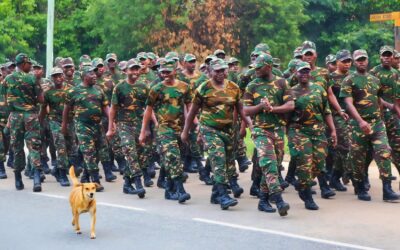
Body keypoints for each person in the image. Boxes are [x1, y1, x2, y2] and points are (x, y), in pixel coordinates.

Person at [181, 58, 250, 210]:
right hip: (210, 129)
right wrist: (186, 132)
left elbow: (241, 111)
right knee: (218, 159)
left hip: (229, 130)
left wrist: (251, 126)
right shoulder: (204, 88)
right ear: (211, 71)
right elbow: (192, 112)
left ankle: (215, 194)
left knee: (228, 163)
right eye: (217, 70)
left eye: (223, 70)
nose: (220, 73)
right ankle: (224, 195)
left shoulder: (234, 88)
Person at [340, 49, 400, 202]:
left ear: (367, 61)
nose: (361, 61)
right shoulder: (349, 80)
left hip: (377, 124)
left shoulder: (375, 79)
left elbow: (378, 100)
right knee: (357, 158)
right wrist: (360, 121)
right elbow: (347, 103)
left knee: (384, 152)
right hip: (357, 124)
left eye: (364, 59)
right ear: (354, 61)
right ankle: (360, 186)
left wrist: (389, 110)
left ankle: (387, 189)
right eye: (358, 59)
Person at [243, 53, 292, 216]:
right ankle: (278, 200)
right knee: (268, 163)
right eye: (255, 67)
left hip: (278, 130)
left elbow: (290, 104)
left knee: (273, 165)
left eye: (259, 67)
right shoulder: (252, 85)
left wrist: (273, 109)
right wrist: (260, 107)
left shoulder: (282, 83)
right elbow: (246, 110)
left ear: (269, 67)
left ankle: (263, 199)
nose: (256, 70)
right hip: (260, 130)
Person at [139, 59, 191, 204]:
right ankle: (180, 190)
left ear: (175, 71)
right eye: (162, 72)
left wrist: (192, 126)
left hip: (180, 129)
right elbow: (148, 110)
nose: (165, 75)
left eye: (168, 72)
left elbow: (189, 108)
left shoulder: (184, 87)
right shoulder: (156, 89)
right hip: (163, 129)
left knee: (175, 159)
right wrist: (143, 131)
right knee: (173, 157)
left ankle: (169, 189)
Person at [288, 61, 337, 210]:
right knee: (305, 163)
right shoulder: (290, 92)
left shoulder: (319, 89)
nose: (304, 74)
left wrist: (333, 130)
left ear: (310, 73)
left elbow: (326, 111)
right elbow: (286, 116)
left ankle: (301, 184)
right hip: (299, 131)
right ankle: (308, 196)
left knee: (319, 164)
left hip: (318, 131)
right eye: (301, 71)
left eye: (307, 71)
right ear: (296, 73)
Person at [62, 66, 112, 191]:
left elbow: (106, 107)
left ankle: (85, 177)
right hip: (82, 125)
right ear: (84, 76)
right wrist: (64, 125)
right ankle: (95, 181)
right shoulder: (73, 91)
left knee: (102, 150)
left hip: (97, 125)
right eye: (91, 73)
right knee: (88, 152)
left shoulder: (98, 90)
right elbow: (66, 109)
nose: (95, 75)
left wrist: (112, 123)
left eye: (95, 73)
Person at [107, 59, 151, 198]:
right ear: (126, 71)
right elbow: (113, 109)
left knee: (139, 155)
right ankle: (138, 182)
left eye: (137, 69)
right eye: (132, 69)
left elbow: (148, 109)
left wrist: (149, 127)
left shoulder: (144, 87)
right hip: (123, 124)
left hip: (139, 125)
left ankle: (127, 183)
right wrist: (110, 128)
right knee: (129, 151)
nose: (135, 72)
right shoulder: (119, 87)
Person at [3, 53, 44, 192]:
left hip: (15, 117)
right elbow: (41, 99)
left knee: (17, 147)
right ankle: (37, 178)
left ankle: (18, 179)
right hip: (30, 116)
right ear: (23, 64)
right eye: (29, 64)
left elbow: (5, 98)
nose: (31, 66)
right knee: (34, 146)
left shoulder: (7, 79)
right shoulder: (32, 78)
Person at [40, 67, 76, 187]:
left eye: (60, 75)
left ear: (63, 76)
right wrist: (39, 122)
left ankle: (55, 170)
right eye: (55, 76)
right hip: (55, 121)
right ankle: (62, 174)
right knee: (61, 147)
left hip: (70, 121)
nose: (58, 78)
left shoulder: (71, 90)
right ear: (52, 78)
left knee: (72, 150)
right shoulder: (48, 93)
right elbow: (44, 109)